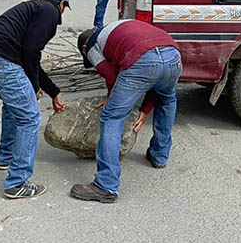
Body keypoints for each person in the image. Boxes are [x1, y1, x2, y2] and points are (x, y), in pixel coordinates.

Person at [0, 0, 69, 199]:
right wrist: (34, 87)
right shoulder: (49, 11)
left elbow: (29, 55)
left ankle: (5, 156)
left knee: (13, 105)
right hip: (1, 61)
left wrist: (53, 91)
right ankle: (17, 183)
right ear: (62, 5)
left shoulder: (31, 7)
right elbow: (31, 52)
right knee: (30, 117)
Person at [70, 19, 181, 203]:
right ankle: (159, 155)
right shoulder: (121, 27)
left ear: (84, 48)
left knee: (112, 117)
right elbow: (156, 80)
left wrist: (112, 98)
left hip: (143, 59)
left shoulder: (91, 45)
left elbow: (111, 76)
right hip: (173, 55)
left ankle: (106, 186)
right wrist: (145, 109)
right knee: (167, 100)